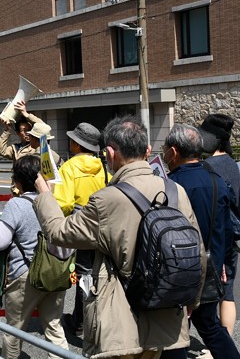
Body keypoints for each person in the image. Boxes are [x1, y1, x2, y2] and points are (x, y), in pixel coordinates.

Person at [33, 115, 203, 358]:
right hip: (168, 313)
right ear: (147, 150)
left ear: (110, 154)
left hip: (122, 322)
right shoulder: (176, 191)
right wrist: (191, 302)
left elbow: (58, 232)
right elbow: (197, 253)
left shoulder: (107, 199)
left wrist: (44, 195)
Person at [162, 124, 240, 359]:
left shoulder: (171, 185)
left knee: (173, 329)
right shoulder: (216, 180)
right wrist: (224, 264)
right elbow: (227, 230)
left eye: (165, 148)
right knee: (209, 324)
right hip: (212, 266)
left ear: (174, 152)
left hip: (177, 270)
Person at [0, 155, 70, 358]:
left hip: (24, 275)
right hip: (55, 271)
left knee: (14, 330)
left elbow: (0, 241)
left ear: (17, 181)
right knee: (54, 326)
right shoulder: (52, 202)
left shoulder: (16, 205)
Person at [52, 122, 108, 336]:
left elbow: (63, 203)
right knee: (100, 274)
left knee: (81, 274)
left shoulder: (69, 167)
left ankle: (82, 322)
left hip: (81, 227)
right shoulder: (103, 166)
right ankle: (91, 319)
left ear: (77, 145)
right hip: (104, 226)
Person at [198, 114, 240, 337]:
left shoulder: (207, 166)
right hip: (232, 236)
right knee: (227, 293)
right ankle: (226, 344)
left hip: (214, 238)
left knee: (204, 295)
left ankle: (215, 344)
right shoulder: (232, 163)